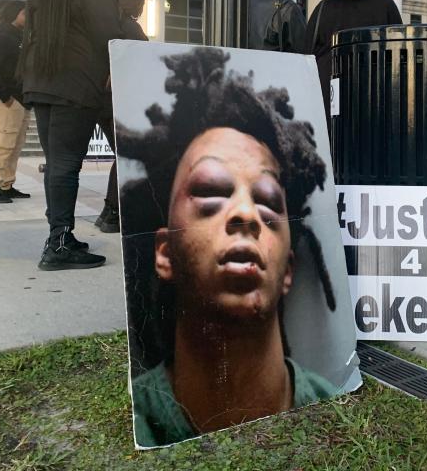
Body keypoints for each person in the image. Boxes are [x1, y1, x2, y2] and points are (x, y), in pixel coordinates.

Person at [116, 48, 340, 447]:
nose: (245, 214)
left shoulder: (330, 404)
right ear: (164, 253)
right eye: (210, 192)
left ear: (288, 271)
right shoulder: (139, 417)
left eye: (269, 201)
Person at [21, 0, 122, 271]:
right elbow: (112, 38)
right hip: (74, 86)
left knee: (57, 165)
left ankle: (59, 234)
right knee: (65, 166)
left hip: (42, 84)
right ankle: (59, 242)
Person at [305, 0, 402, 109]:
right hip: (374, 95)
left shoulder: (323, 9)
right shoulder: (385, 4)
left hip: (331, 94)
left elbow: (307, 53)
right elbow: (400, 50)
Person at [94, 0, 149, 234]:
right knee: (127, 154)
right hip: (119, 101)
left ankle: (109, 211)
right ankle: (114, 212)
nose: (142, 6)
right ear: (131, 0)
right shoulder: (129, 28)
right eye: (141, 1)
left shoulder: (104, 23)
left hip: (100, 100)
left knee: (123, 154)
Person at [0, 1, 31, 204]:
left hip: (21, 100)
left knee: (14, 145)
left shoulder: (19, 37)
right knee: (3, 144)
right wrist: (4, 95)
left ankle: (6, 185)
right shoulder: (3, 37)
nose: (29, 17)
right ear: (14, 14)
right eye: (25, 13)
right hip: (8, 101)